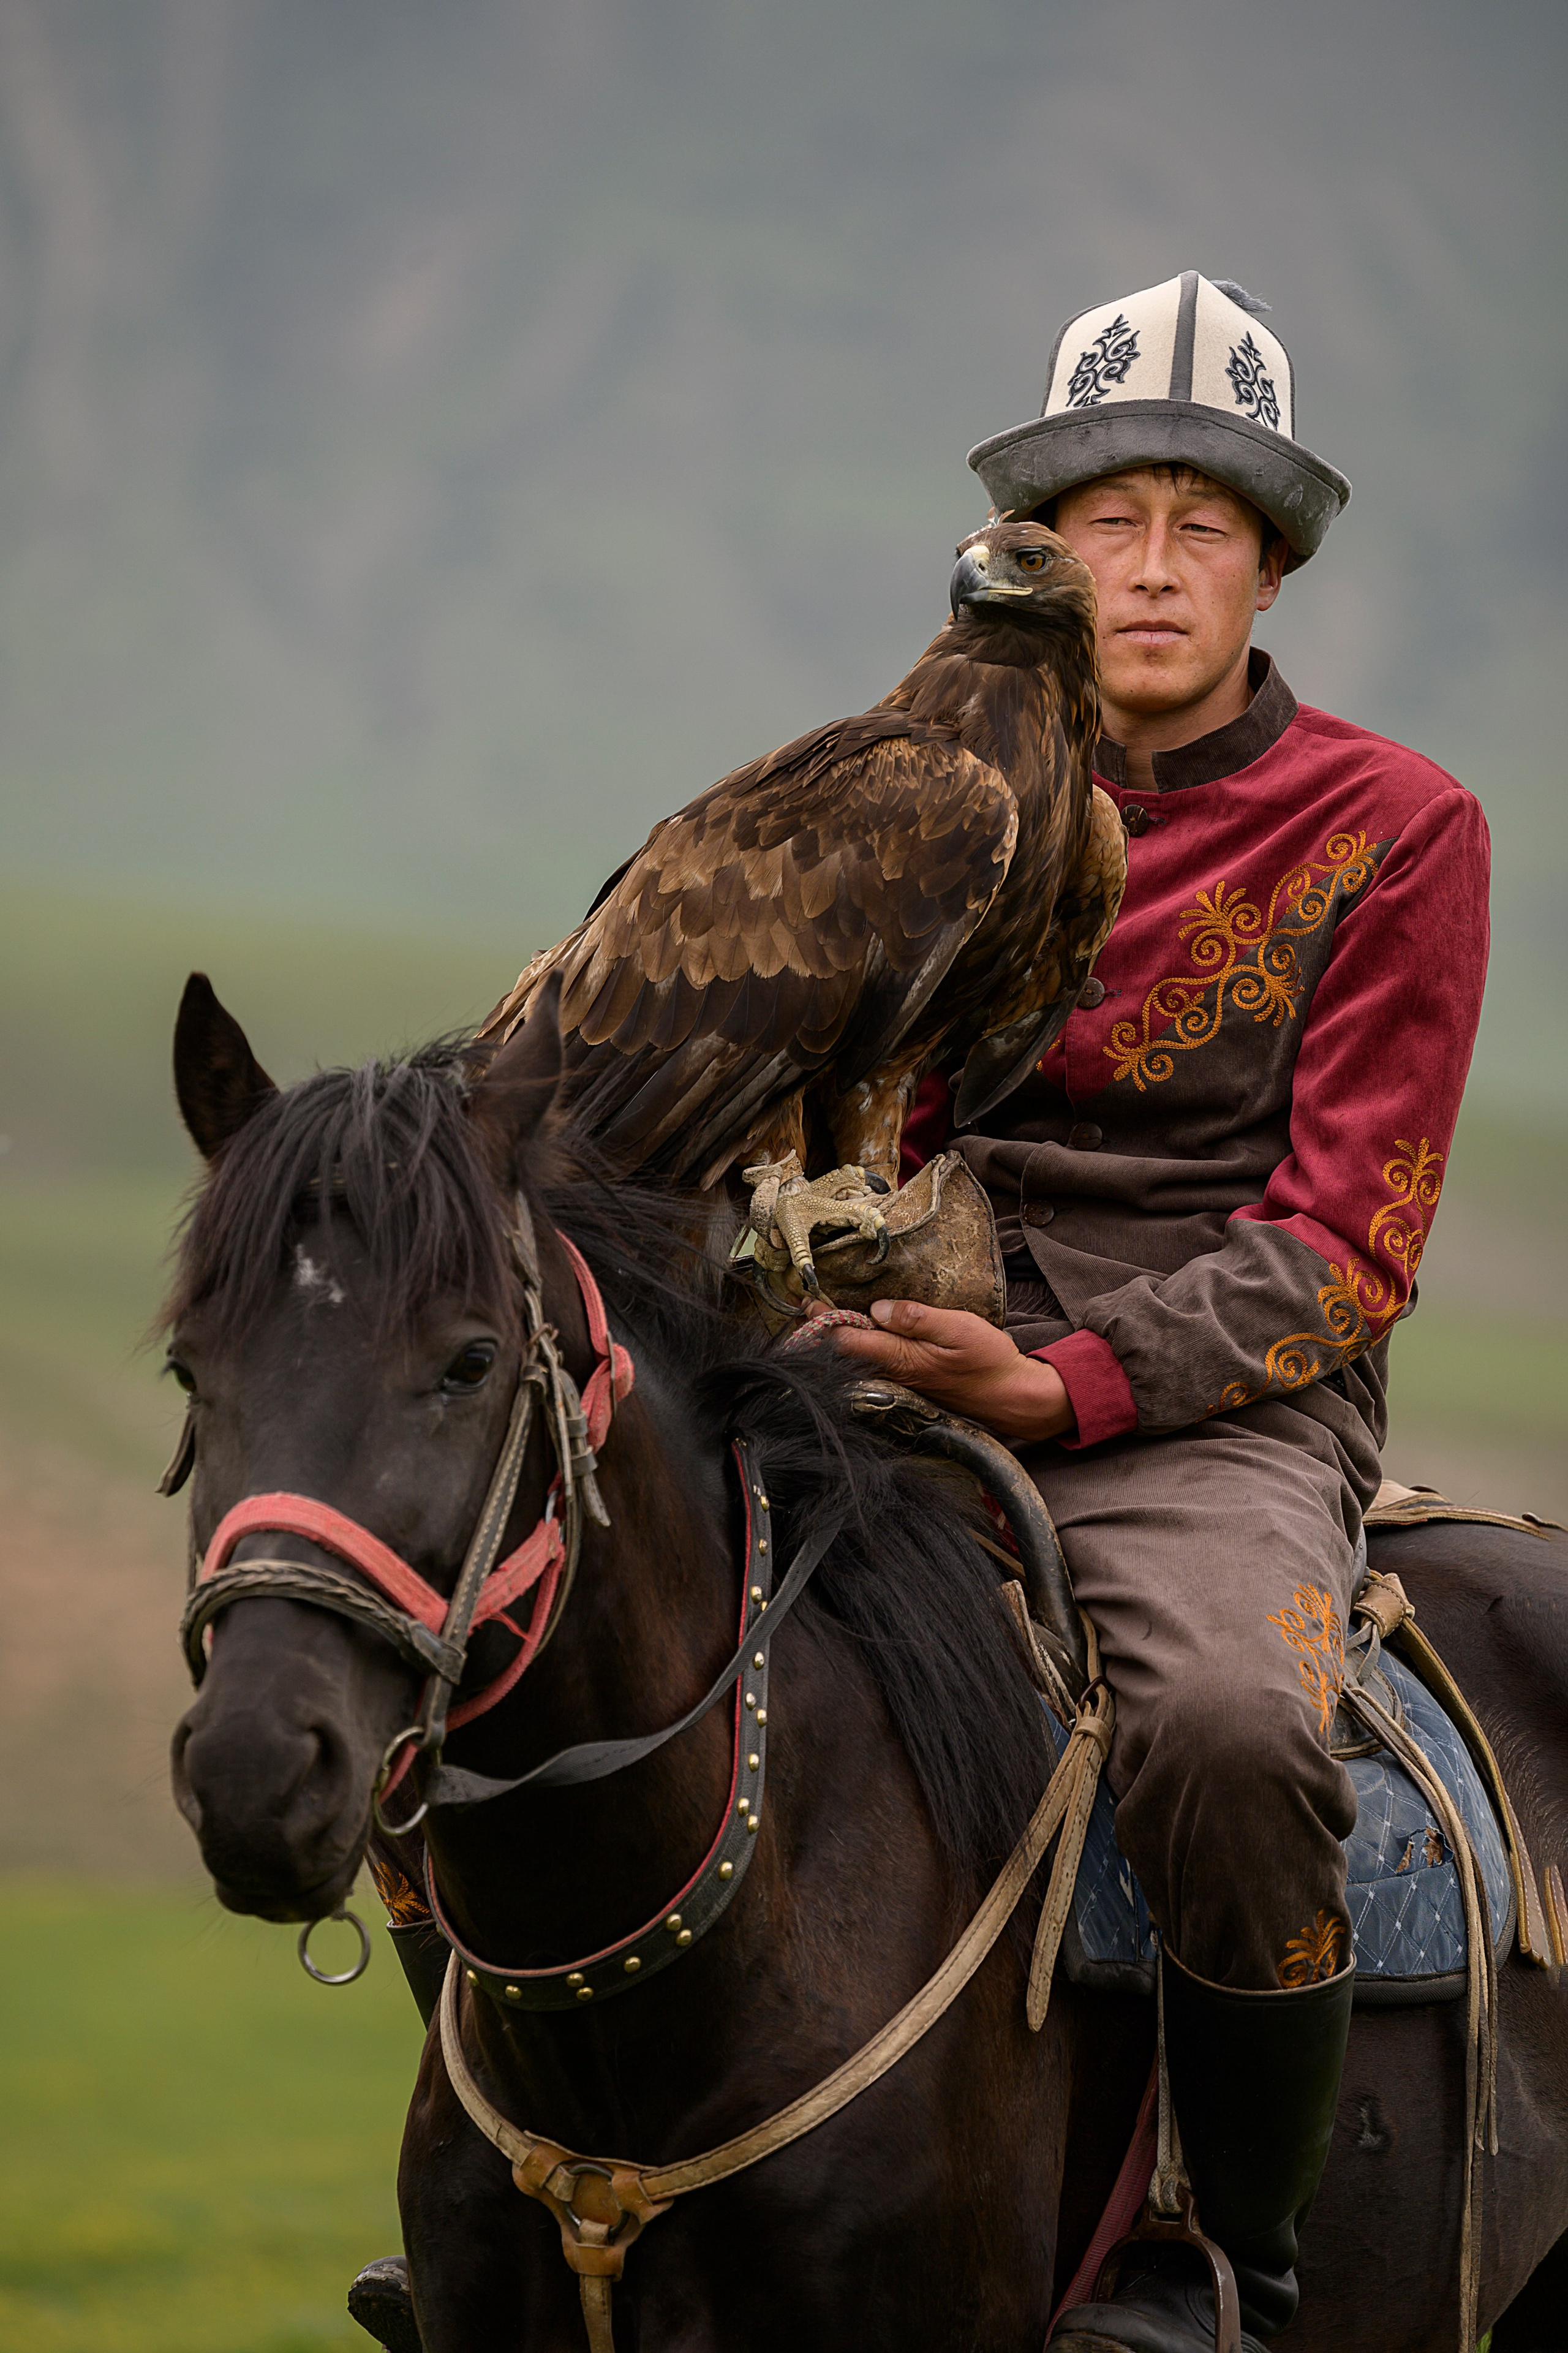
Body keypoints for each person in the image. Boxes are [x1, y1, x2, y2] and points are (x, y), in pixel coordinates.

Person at [828, 271, 1490, 2353]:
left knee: (1219, 1730)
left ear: (1270, 560)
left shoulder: (1399, 828)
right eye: (1106, 517)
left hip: (1222, 1398)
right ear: (1041, 548)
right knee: (549, 1568)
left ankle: (1222, 2259)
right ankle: (511, 2160)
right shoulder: (933, 786)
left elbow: (1346, 1241)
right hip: (902, 1321)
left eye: (1201, 525)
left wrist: (1062, 1380)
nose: (1149, 565)